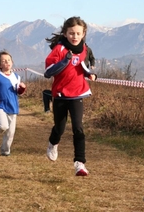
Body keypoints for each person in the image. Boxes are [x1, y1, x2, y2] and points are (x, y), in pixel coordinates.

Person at [44, 16, 97, 176]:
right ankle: (53, 143)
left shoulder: (85, 50)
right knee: (59, 128)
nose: (75, 36)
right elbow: (48, 72)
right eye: (71, 33)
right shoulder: (59, 49)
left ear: (83, 34)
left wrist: (91, 75)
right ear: (65, 33)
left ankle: (79, 163)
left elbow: (84, 67)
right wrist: (64, 62)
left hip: (78, 93)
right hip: (60, 94)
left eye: (78, 33)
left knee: (78, 128)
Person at [0, 50, 26, 156]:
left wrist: (22, 88)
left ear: (12, 62)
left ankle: (5, 151)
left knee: (10, 133)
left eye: (9, 60)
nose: (7, 62)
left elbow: (18, 92)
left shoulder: (16, 76)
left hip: (12, 106)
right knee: (3, 127)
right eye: (4, 61)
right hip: (0, 105)